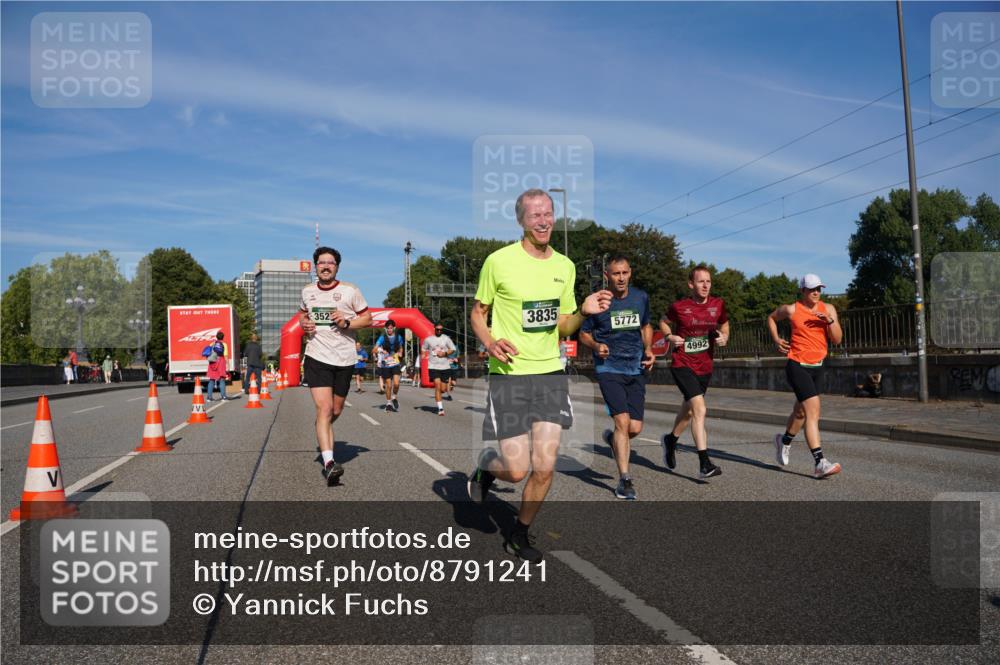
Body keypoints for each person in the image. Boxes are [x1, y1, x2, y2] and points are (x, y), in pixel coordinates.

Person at [468, 188, 612, 563]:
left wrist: (584, 311)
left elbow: (564, 326)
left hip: (549, 374)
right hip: (510, 375)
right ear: (521, 220)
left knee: (545, 468)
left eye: (549, 213)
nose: (544, 221)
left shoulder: (564, 266)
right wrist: (489, 341)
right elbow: (477, 313)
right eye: (535, 215)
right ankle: (486, 468)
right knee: (516, 471)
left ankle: (519, 533)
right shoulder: (498, 262)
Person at [579, 255, 655, 500]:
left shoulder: (640, 297)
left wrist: (650, 349)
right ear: (607, 276)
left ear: (630, 273)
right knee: (622, 422)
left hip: (635, 367)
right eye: (615, 274)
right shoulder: (599, 302)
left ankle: (613, 439)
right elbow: (583, 334)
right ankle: (625, 480)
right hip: (609, 368)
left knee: (634, 427)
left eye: (624, 273)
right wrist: (596, 344)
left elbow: (645, 326)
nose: (620, 278)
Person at [299, 246, 372, 485]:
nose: (326, 266)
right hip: (316, 356)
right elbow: (302, 315)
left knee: (335, 411)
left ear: (337, 267)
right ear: (316, 266)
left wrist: (347, 321)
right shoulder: (307, 291)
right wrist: (305, 324)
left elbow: (368, 319)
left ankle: (323, 431)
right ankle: (329, 463)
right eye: (321, 263)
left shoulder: (350, 291)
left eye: (330, 263)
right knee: (324, 409)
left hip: (344, 359)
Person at [767, 274, 843, 479]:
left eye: (819, 288)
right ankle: (820, 462)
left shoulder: (829, 309)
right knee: (813, 411)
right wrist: (776, 339)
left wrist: (830, 322)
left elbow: (837, 339)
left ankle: (783, 441)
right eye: (811, 289)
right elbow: (771, 318)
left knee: (800, 413)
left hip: (818, 366)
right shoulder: (791, 309)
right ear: (802, 291)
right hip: (797, 365)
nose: (816, 292)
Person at [659, 264, 730, 479]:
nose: (705, 285)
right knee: (699, 409)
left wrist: (724, 336)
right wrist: (670, 336)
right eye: (701, 281)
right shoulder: (680, 307)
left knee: (689, 411)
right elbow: (663, 321)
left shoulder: (718, 305)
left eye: (708, 281)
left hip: (705, 366)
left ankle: (671, 440)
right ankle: (704, 463)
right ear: (691, 284)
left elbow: (725, 324)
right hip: (682, 364)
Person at [422, 323, 456, 415]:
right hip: (433, 366)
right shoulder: (429, 339)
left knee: (443, 389)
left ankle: (438, 394)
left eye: (441, 330)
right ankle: (440, 409)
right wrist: (423, 354)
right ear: (434, 329)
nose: (439, 331)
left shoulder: (446, 338)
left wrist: (444, 354)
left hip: (445, 367)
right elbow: (423, 348)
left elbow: (453, 349)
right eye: (437, 329)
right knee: (437, 386)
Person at [375, 320, 405, 412]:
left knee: (396, 383)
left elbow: (401, 347)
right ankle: (388, 404)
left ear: (394, 328)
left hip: (395, 363)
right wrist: (381, 350)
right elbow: (374, 349)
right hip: (386, 365)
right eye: (388, 328)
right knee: (388, 385)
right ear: (385, 329)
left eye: (391, 328)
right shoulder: (382, 338)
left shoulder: (398, 337)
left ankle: (394, 396)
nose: (389, 330)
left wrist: (400, 352)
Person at [205, 332, 229, 401]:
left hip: (212, 362)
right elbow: (226, 356)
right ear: (223, 337)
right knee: (222, 379)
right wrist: (228, 364)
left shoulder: (212, 344)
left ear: (216, 337)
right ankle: (223, 397)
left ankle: (209, 397)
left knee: (212, 379)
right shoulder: (224, 344)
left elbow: (208, 353)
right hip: (221, 361)